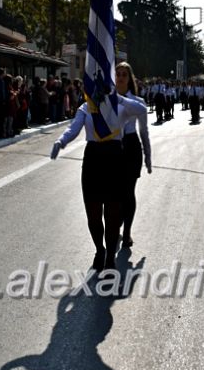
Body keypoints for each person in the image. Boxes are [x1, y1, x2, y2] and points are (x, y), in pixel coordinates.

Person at [50, 84, 147, 273]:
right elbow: (73, 129)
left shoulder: (120, 106)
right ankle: (99, 250)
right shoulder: (86, 108)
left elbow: (141, 109)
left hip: (115, 158)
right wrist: (61, 141)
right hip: (93, 159)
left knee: (112, 212)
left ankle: (110, 255)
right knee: (93, 213)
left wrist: (117, 98)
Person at [115, 62, 152, 248]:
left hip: (131, 147)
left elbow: (144, 131)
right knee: (115, 192)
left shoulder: (138, 102)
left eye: (124, 74)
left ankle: (127, 231)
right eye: (118, 74)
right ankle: (118, 219)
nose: (120, 77)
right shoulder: (107, 100)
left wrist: (148, 157)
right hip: (113, 148)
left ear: (129, 79)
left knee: (128, 192)